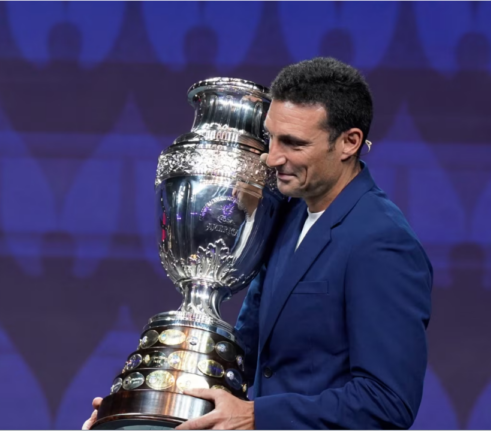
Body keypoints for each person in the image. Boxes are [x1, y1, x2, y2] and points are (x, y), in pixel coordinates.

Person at [84, 57, 433, 430]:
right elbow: (244, 360)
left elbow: (386, 402)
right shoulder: (288, 212)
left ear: (349, 142)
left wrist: (257, 416)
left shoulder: (383, 242)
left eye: (293, 143)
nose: (272, 157)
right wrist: (151, 402)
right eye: (271, 137)